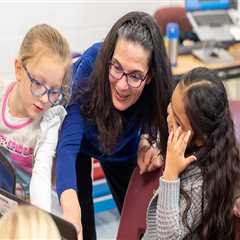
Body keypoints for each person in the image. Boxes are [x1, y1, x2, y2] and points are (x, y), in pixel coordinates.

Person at [56, 11, 173, 239]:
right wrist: (70, 206)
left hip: (122, 146)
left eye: (135, 76)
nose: (121, 85)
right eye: (117, 67)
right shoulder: (91, 65)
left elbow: (167, 127)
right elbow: (68, 144)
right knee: (80, 223)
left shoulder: (160, 86)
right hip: (82, 143)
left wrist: (149, 142)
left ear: (149, 77)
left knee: (140, 223)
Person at [143, 67, 240, 239]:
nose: (168, 118)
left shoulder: (200, 185)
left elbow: (166, 237)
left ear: (201, 139)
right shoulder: (199, 140)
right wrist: (148, 143)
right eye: (171, 106)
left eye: (178, 122)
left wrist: (171, 175)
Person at [0, 24, 72, 211]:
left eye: (54, 91)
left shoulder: (48, 122)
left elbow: (42, 175)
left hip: (25, 211)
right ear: (18, 69)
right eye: (38, 83)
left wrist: (38, 219)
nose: (44, 98)